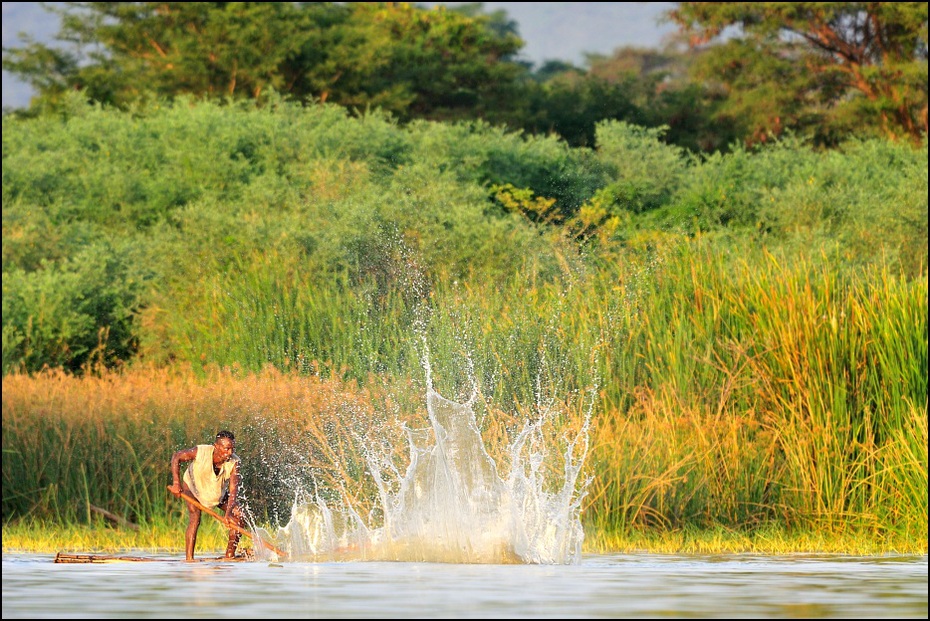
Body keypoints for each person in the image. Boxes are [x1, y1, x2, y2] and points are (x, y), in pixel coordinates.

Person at [168, 430, 243, 561]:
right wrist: (176, 483)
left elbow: (233, 490)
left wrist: (228, 513)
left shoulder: (235, 462)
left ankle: (229, 556)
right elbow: (177, 457)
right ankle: (189, 559)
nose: (230, 453)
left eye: (232, 448)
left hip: (216, 492)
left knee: (239, 516)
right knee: (195, 516)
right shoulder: (201, 451)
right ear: (217, 446)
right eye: (227, 449)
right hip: (193, 488)